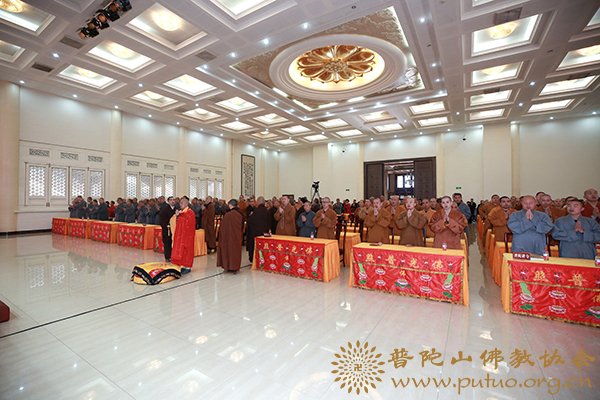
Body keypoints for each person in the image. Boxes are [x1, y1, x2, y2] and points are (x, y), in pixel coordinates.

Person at [217, 199, 244, 274]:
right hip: (237, 237)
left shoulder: (227, 215)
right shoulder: (240, 214)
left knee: (227, 252)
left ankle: (227, 266)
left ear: (230, 205)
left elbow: (222, 227)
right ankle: (235, 267)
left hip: (227, 237)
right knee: (235, 252)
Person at [171, 196, 196, 274]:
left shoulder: (190, 212)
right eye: (180, 203)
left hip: (188, 236)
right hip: (181, 235)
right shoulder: (182, 212)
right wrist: (178, 216)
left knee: (187, 251)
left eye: (182, 203)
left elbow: (189, 224)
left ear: (186, 204)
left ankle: (187, 267)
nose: (180, 204)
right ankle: (182, 265)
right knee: (181, 251)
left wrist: (180, 215)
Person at [246, 196, 270, 263]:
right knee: (262, 247)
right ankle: (262, 259)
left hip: (255, 233)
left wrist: (250, 216)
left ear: (258, 202)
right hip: (264, 233)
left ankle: (253, 259)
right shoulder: (267, 211)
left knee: (254, 246)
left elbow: (250, 221)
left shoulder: (256, 211)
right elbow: (269, 222)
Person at [159, 196, 176, 262]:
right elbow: (161, 220)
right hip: (167, 229)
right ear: (168, 201)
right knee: (167, 242)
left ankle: (174, 256)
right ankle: (168, 256)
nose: (173, 201)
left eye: (173, 200)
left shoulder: (177, 209)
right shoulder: (164, 209)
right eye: (171, 200)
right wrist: (166, 226)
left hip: (175, 229)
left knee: (174, 242)